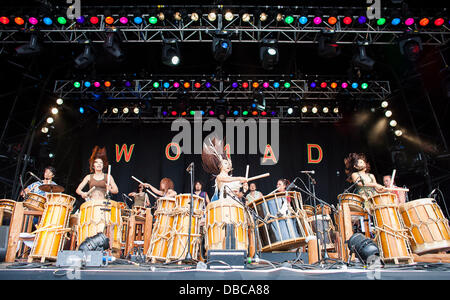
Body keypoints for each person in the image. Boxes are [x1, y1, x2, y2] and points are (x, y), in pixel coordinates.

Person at [201, 137, 247, 202]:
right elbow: (226, 179)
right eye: (225, 163)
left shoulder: (233, 180)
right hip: (225, 204)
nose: (228, 165)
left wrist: (244, 190)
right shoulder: (219, 177)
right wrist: (240, 178)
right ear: (220, 166)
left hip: (235, 204)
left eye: (228, 163)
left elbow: (238, 196)